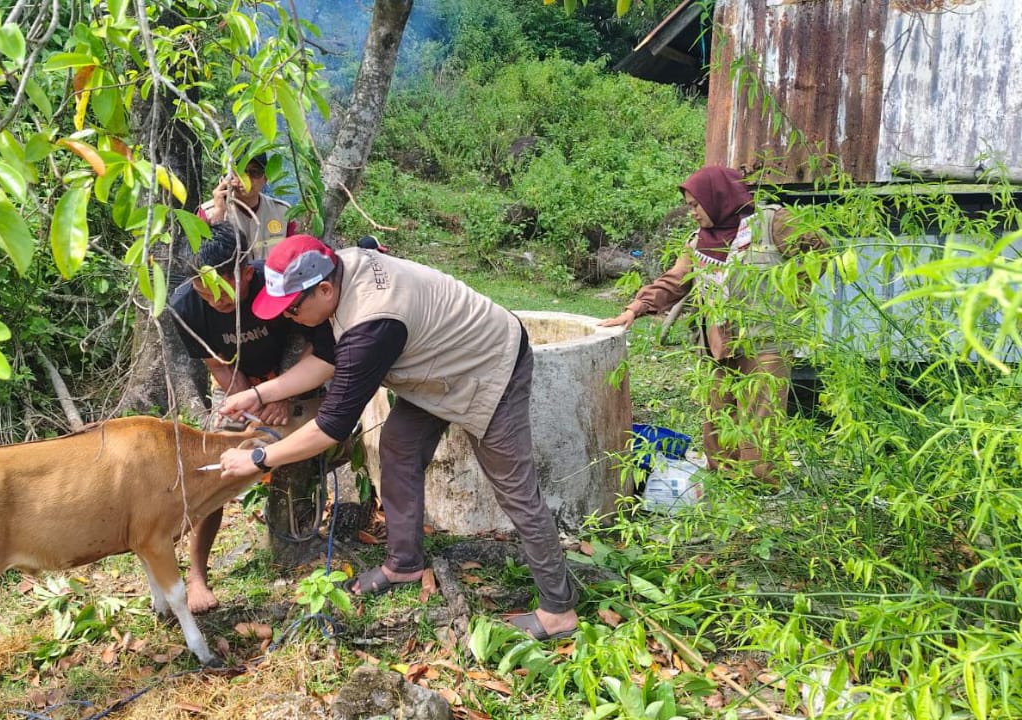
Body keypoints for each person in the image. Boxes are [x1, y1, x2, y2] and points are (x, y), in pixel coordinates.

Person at [213, 235, 581, 641]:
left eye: (294, 308)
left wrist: (259, 458)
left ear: (324, 289)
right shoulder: (339, 270)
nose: (291, 318)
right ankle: (404, 563)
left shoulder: (371, 325)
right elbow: (323, 359)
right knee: (399, 446)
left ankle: (558, 610)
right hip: (436, 363)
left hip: (488, 362)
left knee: (515, 490)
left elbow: (331, 427)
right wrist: (258, 393)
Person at [599, 166, 827, 487]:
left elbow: (820, 250)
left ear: (717, 196)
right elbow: (675, 280)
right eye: (690, 205)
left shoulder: (771, 224)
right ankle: (725, 484)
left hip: (765, 343)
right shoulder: (698, 242)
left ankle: (760, 488)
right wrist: (635, 309)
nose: (692, 212)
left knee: (760, 416)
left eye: (695, 205)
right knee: (719, 413)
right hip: (719, 343)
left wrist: (795, 293)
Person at [169, 222, 335, 612]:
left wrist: (283, 391)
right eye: (202, 289)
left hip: (297, 379)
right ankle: (196, 575)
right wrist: (250, 401)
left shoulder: (276, 284)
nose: (214, 300)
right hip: (239, 387)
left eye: (223, 289)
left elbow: (310, 344)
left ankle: (296, 541)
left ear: (246, 271)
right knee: (213, 470)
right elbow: (218, 364)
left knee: (297, 448)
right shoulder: (185, 307)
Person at [200, 152, 297, 261]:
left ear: (265, 178)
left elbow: (295, 255)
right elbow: (202, 259)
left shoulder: (283, 212)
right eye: (239, 172)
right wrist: (218, 212)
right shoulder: (206, 212)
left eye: (254, 172)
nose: (246, 180)